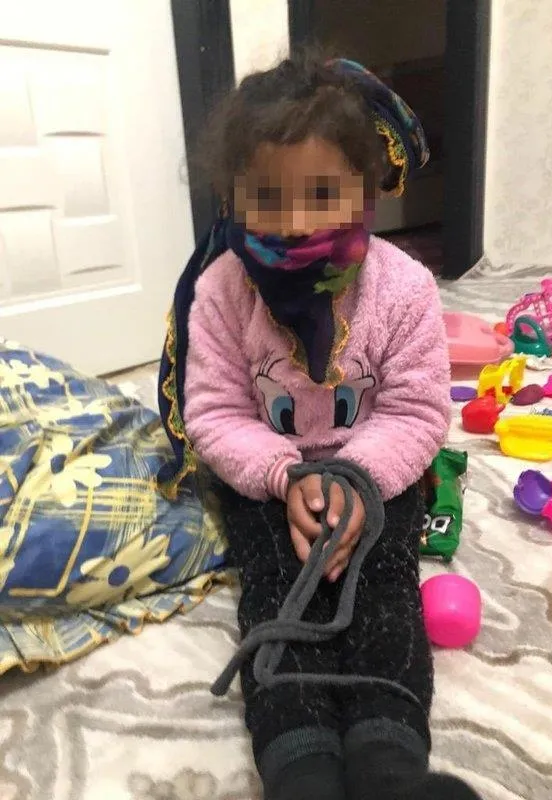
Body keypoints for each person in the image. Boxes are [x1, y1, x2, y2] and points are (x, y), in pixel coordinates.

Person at [158, 52, 482, 800]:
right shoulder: (221, 290)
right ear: (231, 197)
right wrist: (286, 477)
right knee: (274, 586)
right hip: (268, 478)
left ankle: (390, 761)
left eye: (323, 194)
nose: (297, 222)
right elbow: (214, 412)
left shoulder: (403, 287)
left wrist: (357, 480)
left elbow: (417, 409)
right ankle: (298, 766)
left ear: (366, 190)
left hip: (376, 471)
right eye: (269, 197)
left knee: (385, 583)